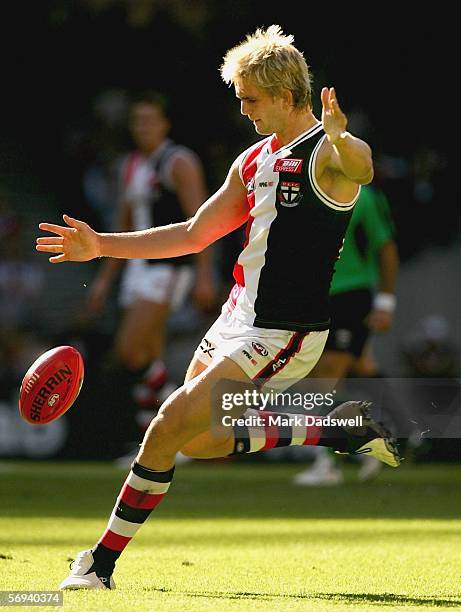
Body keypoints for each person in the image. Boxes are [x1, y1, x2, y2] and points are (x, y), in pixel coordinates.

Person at [36, 25, 400, 590]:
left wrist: (341, 138)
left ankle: (100, 563)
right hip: (235, 318)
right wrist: (101, 245)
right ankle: (329, 428)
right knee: (200, 439)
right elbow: (192, 233)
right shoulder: (252, 160)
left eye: (250, 99)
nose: (244, 110)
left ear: (283, 92)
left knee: (165, 424)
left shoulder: (326, 154)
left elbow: (362, 166)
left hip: (284, 332)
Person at [85, 90, 217, 442]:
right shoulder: (131, 166)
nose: (143, 127)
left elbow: (202, 222)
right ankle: (157, 441)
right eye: (137, 121)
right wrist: (103, 279)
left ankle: (182, 423)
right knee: (148, 355)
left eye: (150, 120)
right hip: (137, 267)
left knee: (129, 351)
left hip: (169, 268)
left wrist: (205, 275)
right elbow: (121, 227)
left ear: (165, 124)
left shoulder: (178, 162)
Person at [292, 184, 399, 485]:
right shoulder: (301, 193)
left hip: (351, 294)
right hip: (314, 296)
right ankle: (376, 439)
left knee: (328, 376)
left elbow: (386, 245)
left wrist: (385, 302)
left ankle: (328, 463)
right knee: (356, 368)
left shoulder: (364, 196)